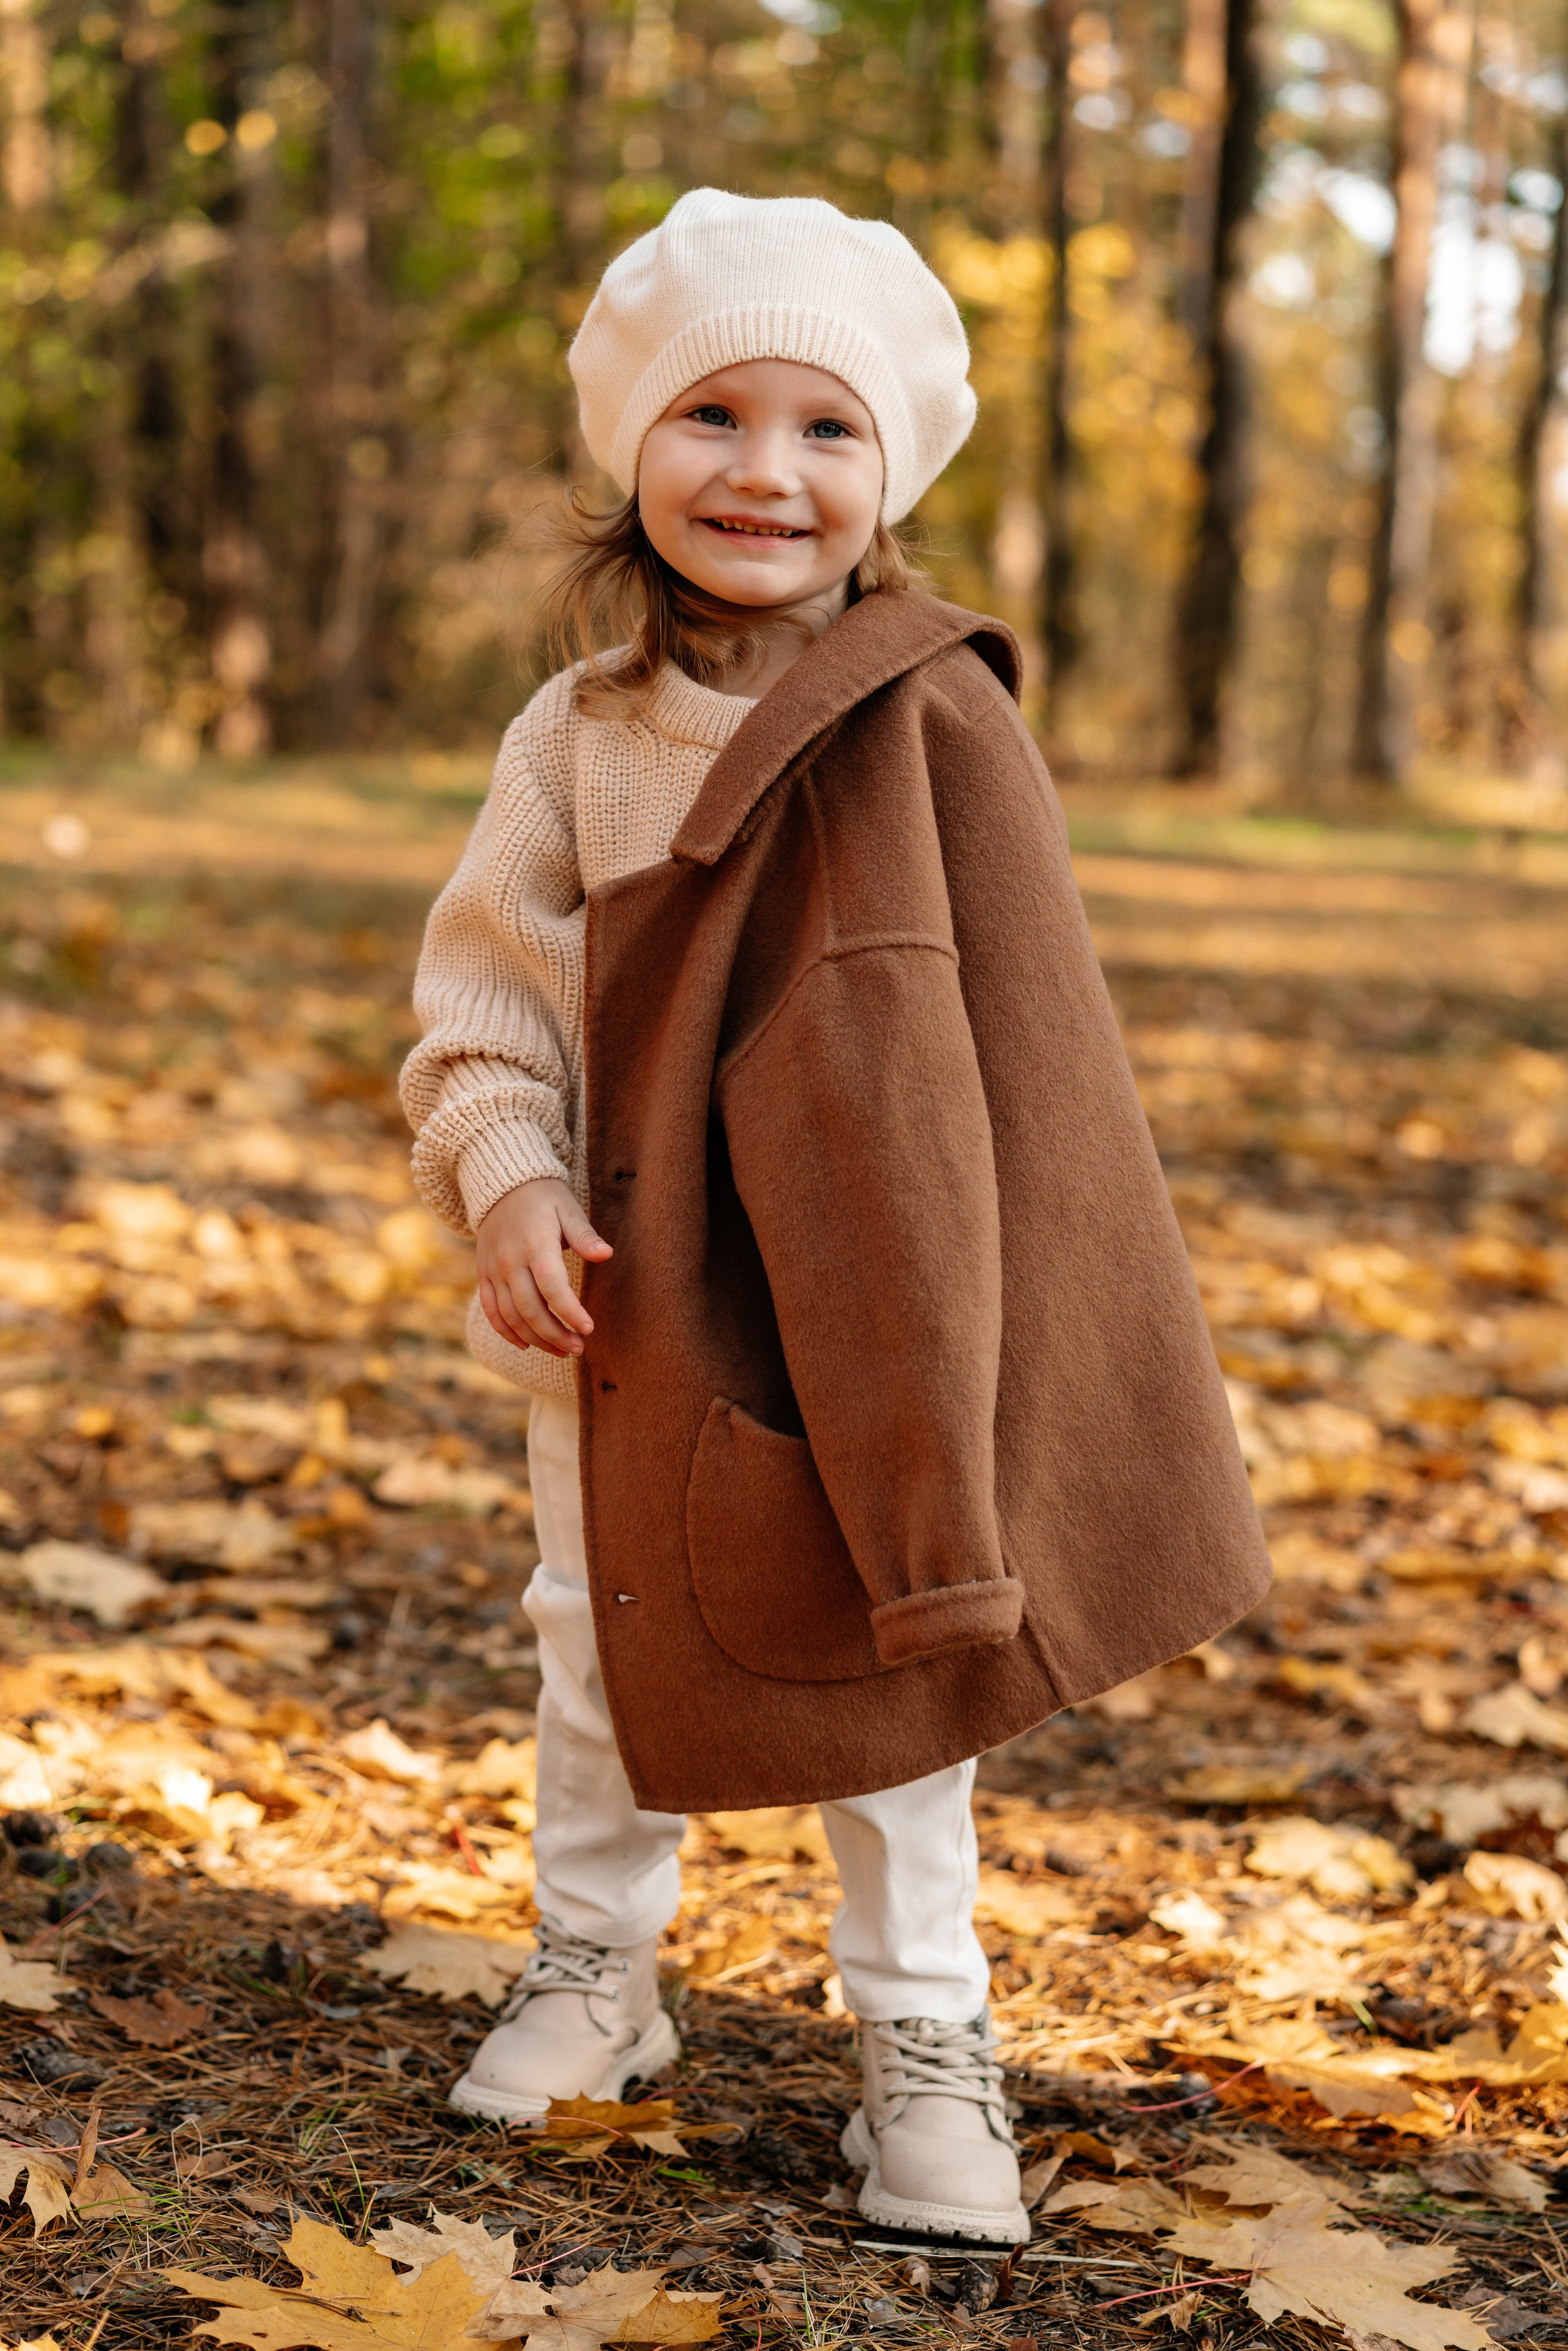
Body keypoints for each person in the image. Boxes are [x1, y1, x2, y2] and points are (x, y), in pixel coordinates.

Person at [401, 188, 1271, 2246]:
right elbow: (477, 1010)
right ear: (636, 455)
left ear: (888, 475)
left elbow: (1031, 1065)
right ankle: (600, 1974)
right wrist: (510, 1181)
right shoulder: (579, 742)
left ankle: (923, 2038)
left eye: (824, 428)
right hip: (631, 1291)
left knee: (905, 1667)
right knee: (598, 1640)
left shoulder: (935, 717)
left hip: (887, 1298)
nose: (765, 471)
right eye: (715, 414)